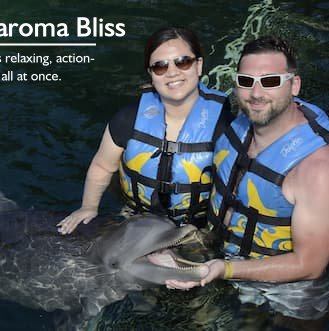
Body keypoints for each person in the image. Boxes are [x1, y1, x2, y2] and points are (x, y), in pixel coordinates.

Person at [165, 36, 329, 320]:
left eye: (270, 81)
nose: (255, 93)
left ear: (295, 85)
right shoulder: (241, 125)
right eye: (246, 80)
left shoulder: (317, 169)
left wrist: (224, 270)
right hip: (222, 251)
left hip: (290, 284)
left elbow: (310, 264)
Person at [57, 26, 232, 234]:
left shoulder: (226, 128)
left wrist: (214, 239)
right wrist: (88, 207)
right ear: (151, 74)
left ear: (199, 65)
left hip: (196, 228)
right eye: (160, 66)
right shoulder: (127, 119)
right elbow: (102, 166)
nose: (173, 72)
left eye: (183, 62)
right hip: (135, 216)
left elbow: (234, 194)